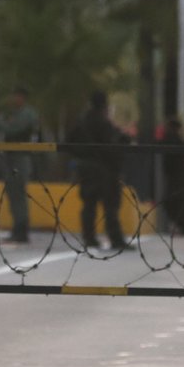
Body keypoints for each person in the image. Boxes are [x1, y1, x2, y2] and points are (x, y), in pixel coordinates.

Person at [68, 91, 134, 253]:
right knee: (110, 207)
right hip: (105, 170)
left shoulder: (82, 122)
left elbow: (69, 142)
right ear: (104, 106)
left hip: (87, 169)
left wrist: (83, 157)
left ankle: (89, 238)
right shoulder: (104, 124)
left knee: (89, 205)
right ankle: (115, 239)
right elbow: (113, 145)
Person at [0, 86, 39, 243]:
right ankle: (17, 228)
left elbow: (11, 130)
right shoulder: (14, 113)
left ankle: (22, 230)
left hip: (20, 158)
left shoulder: (27, 114)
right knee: (13, 194)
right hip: (11, 158)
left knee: (19, 194)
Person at [159, 116, 184, 236]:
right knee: (180, 201)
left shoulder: (172, 139)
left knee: (174, 201)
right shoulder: (182, 141)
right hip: (181, 175)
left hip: (177, 176)